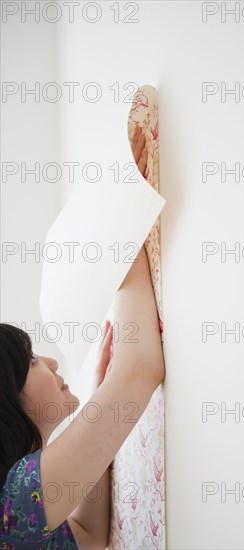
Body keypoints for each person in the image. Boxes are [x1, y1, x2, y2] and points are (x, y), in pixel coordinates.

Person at [0, 124, 165, 549]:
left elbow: (88, 535)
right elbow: (140, 371)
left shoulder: (23, 513)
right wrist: (118, 234)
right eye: (33, 360)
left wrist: (98, 399)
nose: (52, 362)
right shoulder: (14, 501)